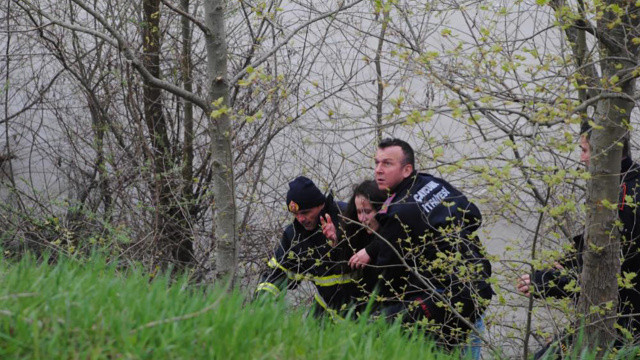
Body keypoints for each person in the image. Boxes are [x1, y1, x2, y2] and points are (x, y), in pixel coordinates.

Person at [341, 138, 494, 348]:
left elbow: (388, 278)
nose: (378, 170)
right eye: (376, 163)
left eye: (387, 164)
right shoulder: (431, 182)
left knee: (377, 324)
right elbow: (474, 216)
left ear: (406, 169)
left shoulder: (398, 212)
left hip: (448, 297)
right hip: (478, 282)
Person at [517, 128, 640, 353]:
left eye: (585, 151)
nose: (581, 158)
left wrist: (547, 282)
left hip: (622, 320)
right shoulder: (627, 181)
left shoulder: (622, 200)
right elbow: (594, 248)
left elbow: (607, 275)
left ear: (605, 152)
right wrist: (567, 263)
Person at [255, 176, 358, 319]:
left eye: (305, 212)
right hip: (326, 309)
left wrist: (339, 240)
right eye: (296, 214)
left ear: (321, 205)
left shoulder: (347, 216)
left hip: (363, 309)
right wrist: (260, 302)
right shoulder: (295, 236)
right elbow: (279, 273)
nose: (300, 219)